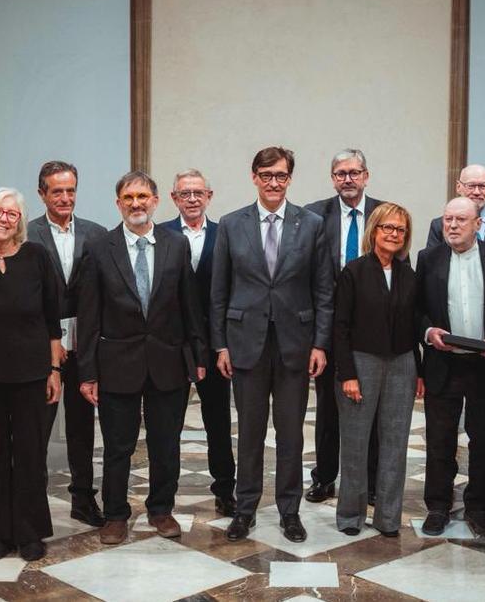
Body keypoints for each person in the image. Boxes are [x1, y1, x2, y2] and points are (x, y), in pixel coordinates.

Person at [211, 146, 334, 543]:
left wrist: (320, 344)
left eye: (281, 175)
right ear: (254, 177)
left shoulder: (311, 224)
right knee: (248, 433)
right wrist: (220, 346)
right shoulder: (231, 224)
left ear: (290, 179)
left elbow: (323, 289)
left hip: (295, 345)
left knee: (291, 434)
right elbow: (219, 291)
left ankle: (290, 511)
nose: (274, 183)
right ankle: (244, 510)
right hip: (245, 343)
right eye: (267, 175)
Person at [78, 171, 207, 545]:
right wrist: (88, 371)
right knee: (118, 444)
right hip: (117, 363)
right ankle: (116, 514)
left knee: (166, 442)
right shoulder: (101, 248)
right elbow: (89, 315)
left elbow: (189, 306)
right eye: (129, 198)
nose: (136, 204)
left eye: (143, 197)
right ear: (118, 203)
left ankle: (161, 509)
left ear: (155, 201)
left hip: (168, 361)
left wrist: (196, 355)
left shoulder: (175, 245)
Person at [0, 188, 63, 562]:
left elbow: (52, 320)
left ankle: (29, 531)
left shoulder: (36, 256)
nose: (4, 219)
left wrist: (54, 369)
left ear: (20, 221)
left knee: (29, 452)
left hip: (32, 374)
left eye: (12, 214)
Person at [416, 197, 485, 537]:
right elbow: (417, 310)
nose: (453, 226)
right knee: (439, 439)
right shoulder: (428, 259)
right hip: (443, 363)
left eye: (460, 219)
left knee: (483, 438)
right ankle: (438, 506)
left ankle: (478, 505)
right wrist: (429, 332)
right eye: (447, 220)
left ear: (477, 224)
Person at [26, 161, 109, 527]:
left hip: (85, 345)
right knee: (37, 427)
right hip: (42, 347)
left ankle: (83, 498)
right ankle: (32, 503)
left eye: (70, 190)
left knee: (81, 426)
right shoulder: (26, 234)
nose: (65, 197)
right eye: (57, 191)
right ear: (42, 193)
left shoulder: (97, 234)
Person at [333, 202, 421, 537]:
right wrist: (347, 374)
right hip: (362, 362)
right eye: (388, 227)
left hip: (402, 364)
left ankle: (387, 518)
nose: (394, 234)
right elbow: (339, 327)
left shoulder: (408, 275)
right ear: (375, 230)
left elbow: (414, 327)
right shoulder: (354, 271)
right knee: (355, 443)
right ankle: (350, 516)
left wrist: (420, 372)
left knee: (396, 444)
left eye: (400, 230)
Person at [303, 149, 382, 505]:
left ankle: (370, 482)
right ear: (332, 178)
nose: (347, 179)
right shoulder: (314, 215)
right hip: (329, 327)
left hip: (372, 330)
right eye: (340, 173)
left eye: (354, 172)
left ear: (366, 175)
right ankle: (324, 477)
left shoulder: (384, 214)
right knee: (328, 408)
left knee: (373, 407)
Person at [159, 169, 236, 517]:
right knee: (168, 423)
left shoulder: (225, 235)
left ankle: (225, 489)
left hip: (213, 340)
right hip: (171, 344)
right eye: (184, 193)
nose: (192, 199)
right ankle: (164, 497)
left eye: (198, 193)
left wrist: (223, 343)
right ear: (174, 198)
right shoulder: (159, 235)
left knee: (217, 421)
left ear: (209, 195)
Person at [426, 164, 485, 250]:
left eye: (482, 186)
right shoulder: (439, 226)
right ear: (459, 187)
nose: (476, 192)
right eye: (471, 186)